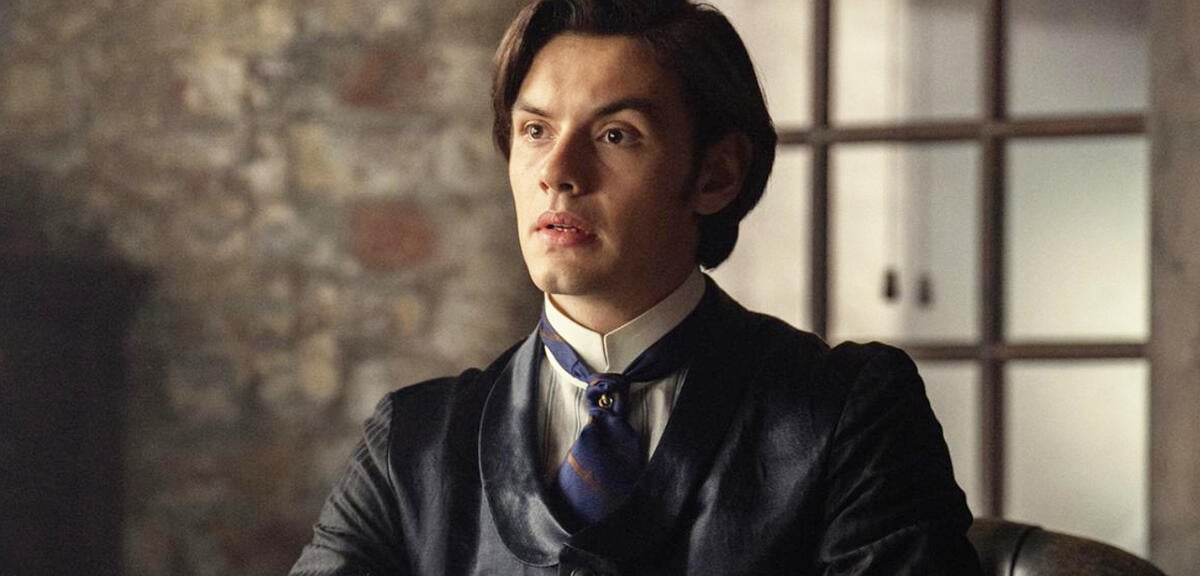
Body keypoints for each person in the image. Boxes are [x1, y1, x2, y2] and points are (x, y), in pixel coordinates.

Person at [291, 0, 982, 574]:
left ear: (716, 174)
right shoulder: (413, 445)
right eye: (535, 130)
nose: (557, 172)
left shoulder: (845, 417)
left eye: (616, 135)